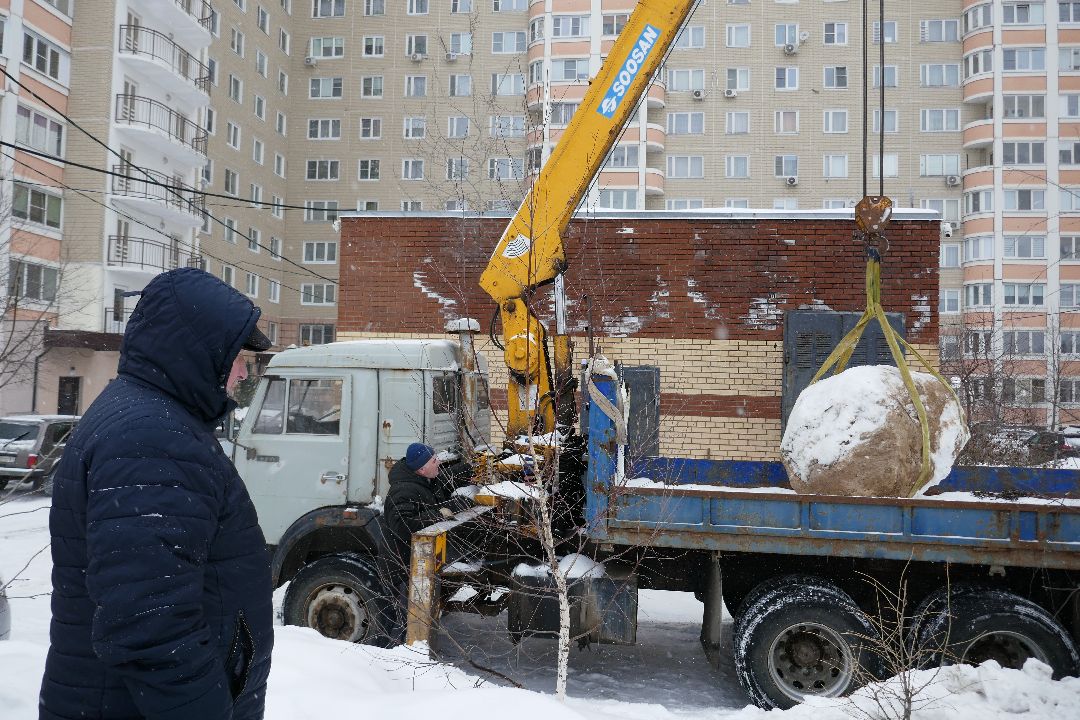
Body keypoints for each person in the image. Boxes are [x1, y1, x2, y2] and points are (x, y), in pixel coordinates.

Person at [40, 268, 275, 720]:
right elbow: (150, 623)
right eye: (237, 356)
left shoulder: (148, 421)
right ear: (197, 349)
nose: (244, 372)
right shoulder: (152, 440)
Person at [378, 443, 470, 644]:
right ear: (421, 468)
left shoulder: (425, 480)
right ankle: (394, 663)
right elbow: (403, 525)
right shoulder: (402, 491)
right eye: (434, 460)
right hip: (402, 568)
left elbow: (448, 477)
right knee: (405, 624)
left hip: (416, 564)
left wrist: (473, 467)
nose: (439, 462)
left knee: (415, 620)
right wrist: (440, 513)